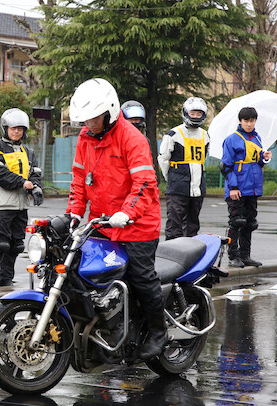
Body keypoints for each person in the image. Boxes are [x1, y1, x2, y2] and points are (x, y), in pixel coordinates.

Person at [67, 78, 165, 360]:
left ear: (109, 110)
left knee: (141, 277)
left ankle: (159, 332)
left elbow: (145, 184)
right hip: (102, 224)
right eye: (85, 118)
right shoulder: (85, 138)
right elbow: (78, 180)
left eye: (94, 117)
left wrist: (127, 213)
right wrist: (75, 211)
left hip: (138, 225)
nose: (89, 123)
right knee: (87, 274)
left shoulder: (132, 137)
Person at [0, 108, 43, 288]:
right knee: (1, 243)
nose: (16, 132)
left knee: (16, 245)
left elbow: (35, 173)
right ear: (5, 128)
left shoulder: (28, 151)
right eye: (13, 128)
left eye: (20, 128)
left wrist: (37, 188)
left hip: (21, 205)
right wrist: (22, 182)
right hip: (2, 205)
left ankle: (6, 279)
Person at [221, 106, 272, 268]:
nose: (249, 124)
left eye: (252, 121)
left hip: (253, 188)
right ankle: (233, 256)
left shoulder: (257, 139)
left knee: (250, 223)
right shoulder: (231, 139)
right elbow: (226, 166)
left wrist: (264, 158)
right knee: (237, 222)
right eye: (246, 121)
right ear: (240, 121)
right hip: (237, 188)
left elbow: (257, 162)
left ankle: (245, 255)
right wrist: (233, 187)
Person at [158, 97, 210, 240]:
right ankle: (172, 256)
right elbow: (163, 159)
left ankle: (192, 257)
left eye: (199, 114)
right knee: (174, 225)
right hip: (177, 187)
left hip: (198, 188)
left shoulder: (205, 135)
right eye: (193, 113)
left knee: (193, 225)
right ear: (186, 113)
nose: (196, 116)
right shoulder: (173, 134)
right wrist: (172, 178)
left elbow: (202, 160)